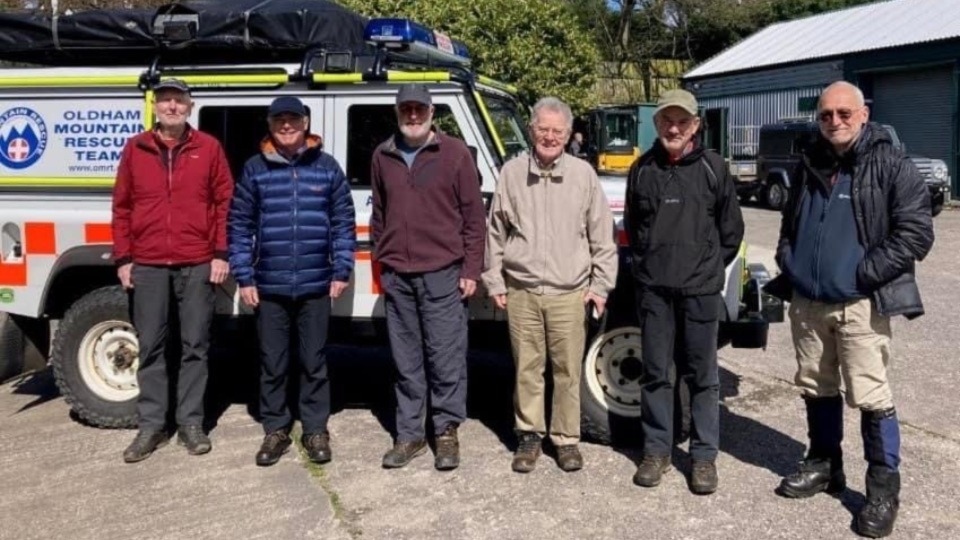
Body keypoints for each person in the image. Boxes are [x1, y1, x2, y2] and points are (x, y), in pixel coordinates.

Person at [765, 81, 934, 538]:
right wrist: (790, 260)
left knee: (872, 397)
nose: (834, 122)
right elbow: (789, 223)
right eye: (825, 115)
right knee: (816, 386)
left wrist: (865, 272)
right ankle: (825, 464)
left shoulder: (890, 163)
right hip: (808, 302)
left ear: (863, 115)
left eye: (843, 114)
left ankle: (882, 490)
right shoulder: (809, 161)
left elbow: (917, 231)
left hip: (859, 304)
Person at [482, 97, 618, 473]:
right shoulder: (511, 174)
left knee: (568, 370)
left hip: (568, 292)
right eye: (543, 129)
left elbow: (602, 236)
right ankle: (529, 436)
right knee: (527, 367)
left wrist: (601, 286)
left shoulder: (583, 175)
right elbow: (495, 232)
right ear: (531, 131)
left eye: (557, 131)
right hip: (522, 291)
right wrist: (494, 279)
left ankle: (566, 439)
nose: (550, 136)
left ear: (568, 134)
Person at [625, 88, 744, 494]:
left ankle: (704, 456)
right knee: (656, 373)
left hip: (700, 291)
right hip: (654, 292)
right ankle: (656, 451)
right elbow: (634, 230)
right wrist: (648, 270)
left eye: (682, 121)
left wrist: (707, 270)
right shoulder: (642, 170)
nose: (673, 128)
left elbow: (732, 231)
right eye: (666, 121)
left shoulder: (713, 168)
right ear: (656, 124)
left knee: (703, 376)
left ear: (695, 125)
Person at [227, 96, 356, 467]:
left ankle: (315, 429)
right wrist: (245, 276)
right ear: (270, 124)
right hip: (269, 284)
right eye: (280, 120)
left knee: (315, 361)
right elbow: (239, 226)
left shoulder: (327, 167)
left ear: (306, 123)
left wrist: (341, 269)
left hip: (316, 283)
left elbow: (343, 224)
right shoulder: (254, 169)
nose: (287, 126)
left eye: (293, 119)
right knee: (273, 361)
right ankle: (276, 429)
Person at [111, 78, 233, 463]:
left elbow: (223, 202)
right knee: (150, 346)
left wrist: (219, 253)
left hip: (197, 261)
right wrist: (124, 258)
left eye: (179, 101)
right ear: (155, 107)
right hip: (147, 263)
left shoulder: (208, 148)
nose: (172, 107)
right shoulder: (135, 149)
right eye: (165, 101)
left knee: (195, 345)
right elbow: (122, 207)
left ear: (190, 106)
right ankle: (150, 426)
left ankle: (191, 424)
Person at [370, 84, 486, 471]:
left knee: (445, 357)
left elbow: (473, 218)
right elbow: (380, 216)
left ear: (433, 112)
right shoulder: (382, 155)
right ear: (398, 113)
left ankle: (447, 433)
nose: (413, 116)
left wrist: (471, 269)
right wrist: (382, 264)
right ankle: (410, 435)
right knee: (406, 360)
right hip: (398, 276)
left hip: (443, 273)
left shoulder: (454, 154)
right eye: (407, 110)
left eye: (420, 109)